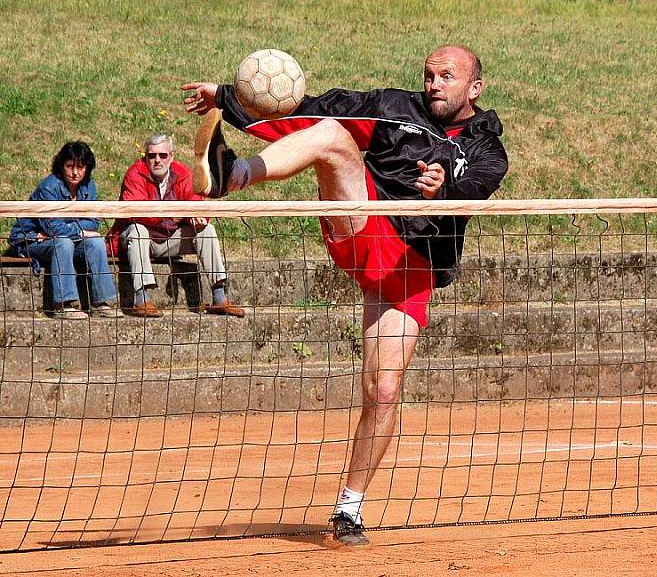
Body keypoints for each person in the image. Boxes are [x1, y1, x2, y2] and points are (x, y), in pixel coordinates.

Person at [181, 44, 508, 547]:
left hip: (412, 267)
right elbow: (312, 110)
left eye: (447, 76)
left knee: (383, 391)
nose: (434, 84)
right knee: (333, 136)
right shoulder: (393, 109)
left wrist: (441, 190)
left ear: (474, 87)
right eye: (429, 74)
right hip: (366, 224)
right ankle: (234, 174)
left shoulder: (487, 146)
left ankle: (348, 511)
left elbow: (478, 191)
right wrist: (229, 96)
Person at [106, 134, 245, 318]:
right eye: (152, 156)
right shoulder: (134, 174)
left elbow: (196, 202)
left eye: (162, 155)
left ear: (171, 156)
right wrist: (173, 213)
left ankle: (219, 297)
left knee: (206, 230)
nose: (157, 160)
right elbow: (136, 211)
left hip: (169, 239)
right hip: (137, 241)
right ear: (145, 157)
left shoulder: (182, 173)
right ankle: (142, 299)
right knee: (138, 231)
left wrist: (195, 216)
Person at [9, 141, 122, 319]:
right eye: (70, 166)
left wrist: (68, 227)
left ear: (87, 168)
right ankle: (64, 304)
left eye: (80, 167)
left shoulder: (89, 186)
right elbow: (52, 227)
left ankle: (102, 302)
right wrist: (79, 230)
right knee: (63, 242)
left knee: (96, 242)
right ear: (62, 166)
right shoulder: (48, 187)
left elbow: (93, 222)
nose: (75, 172)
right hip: (30, 240)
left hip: (61, 239)